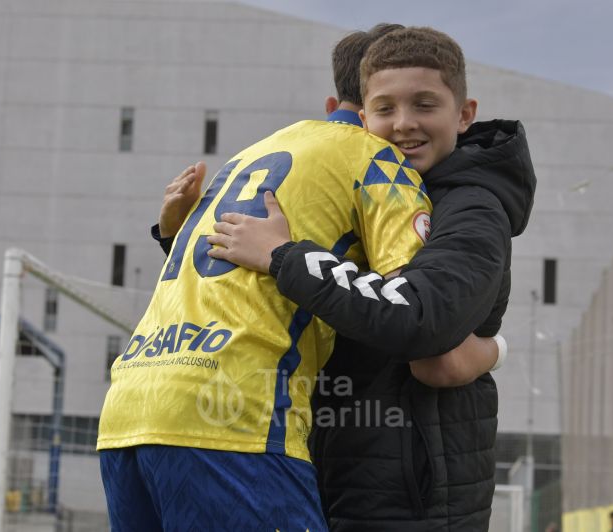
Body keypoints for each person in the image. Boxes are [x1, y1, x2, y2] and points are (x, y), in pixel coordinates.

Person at [98, 23, 500, 532]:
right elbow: (416, 318)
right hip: (236, 420)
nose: (402, 126)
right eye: (388, 109)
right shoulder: (380, 160)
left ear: (333, 98)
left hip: (130, 409)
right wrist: (493, 348)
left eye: (422, 106)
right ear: (368, 103)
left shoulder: (251, 157)